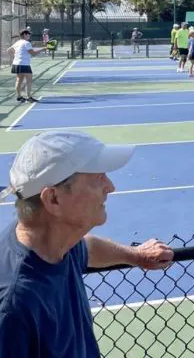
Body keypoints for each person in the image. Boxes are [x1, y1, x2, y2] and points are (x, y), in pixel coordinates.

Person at [0, 130, 174, 356]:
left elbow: (88, 247)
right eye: (97, 178)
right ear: (54, 199)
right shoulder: (14, 306)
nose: (110, 187)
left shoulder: (58, 244)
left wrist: (135, 255)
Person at [7, 29, 46, 103]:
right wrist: (43, 49)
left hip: (16, 64)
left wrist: (14, 57)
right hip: (24, 64)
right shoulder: (26, 43)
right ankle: (29, 97)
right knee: (29, 80)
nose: (29, 35)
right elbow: (33, 53)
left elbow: (8, 50)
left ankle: (19, 97)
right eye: (28, 34)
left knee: (19, 80)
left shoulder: (18, 42)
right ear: (24, 35)